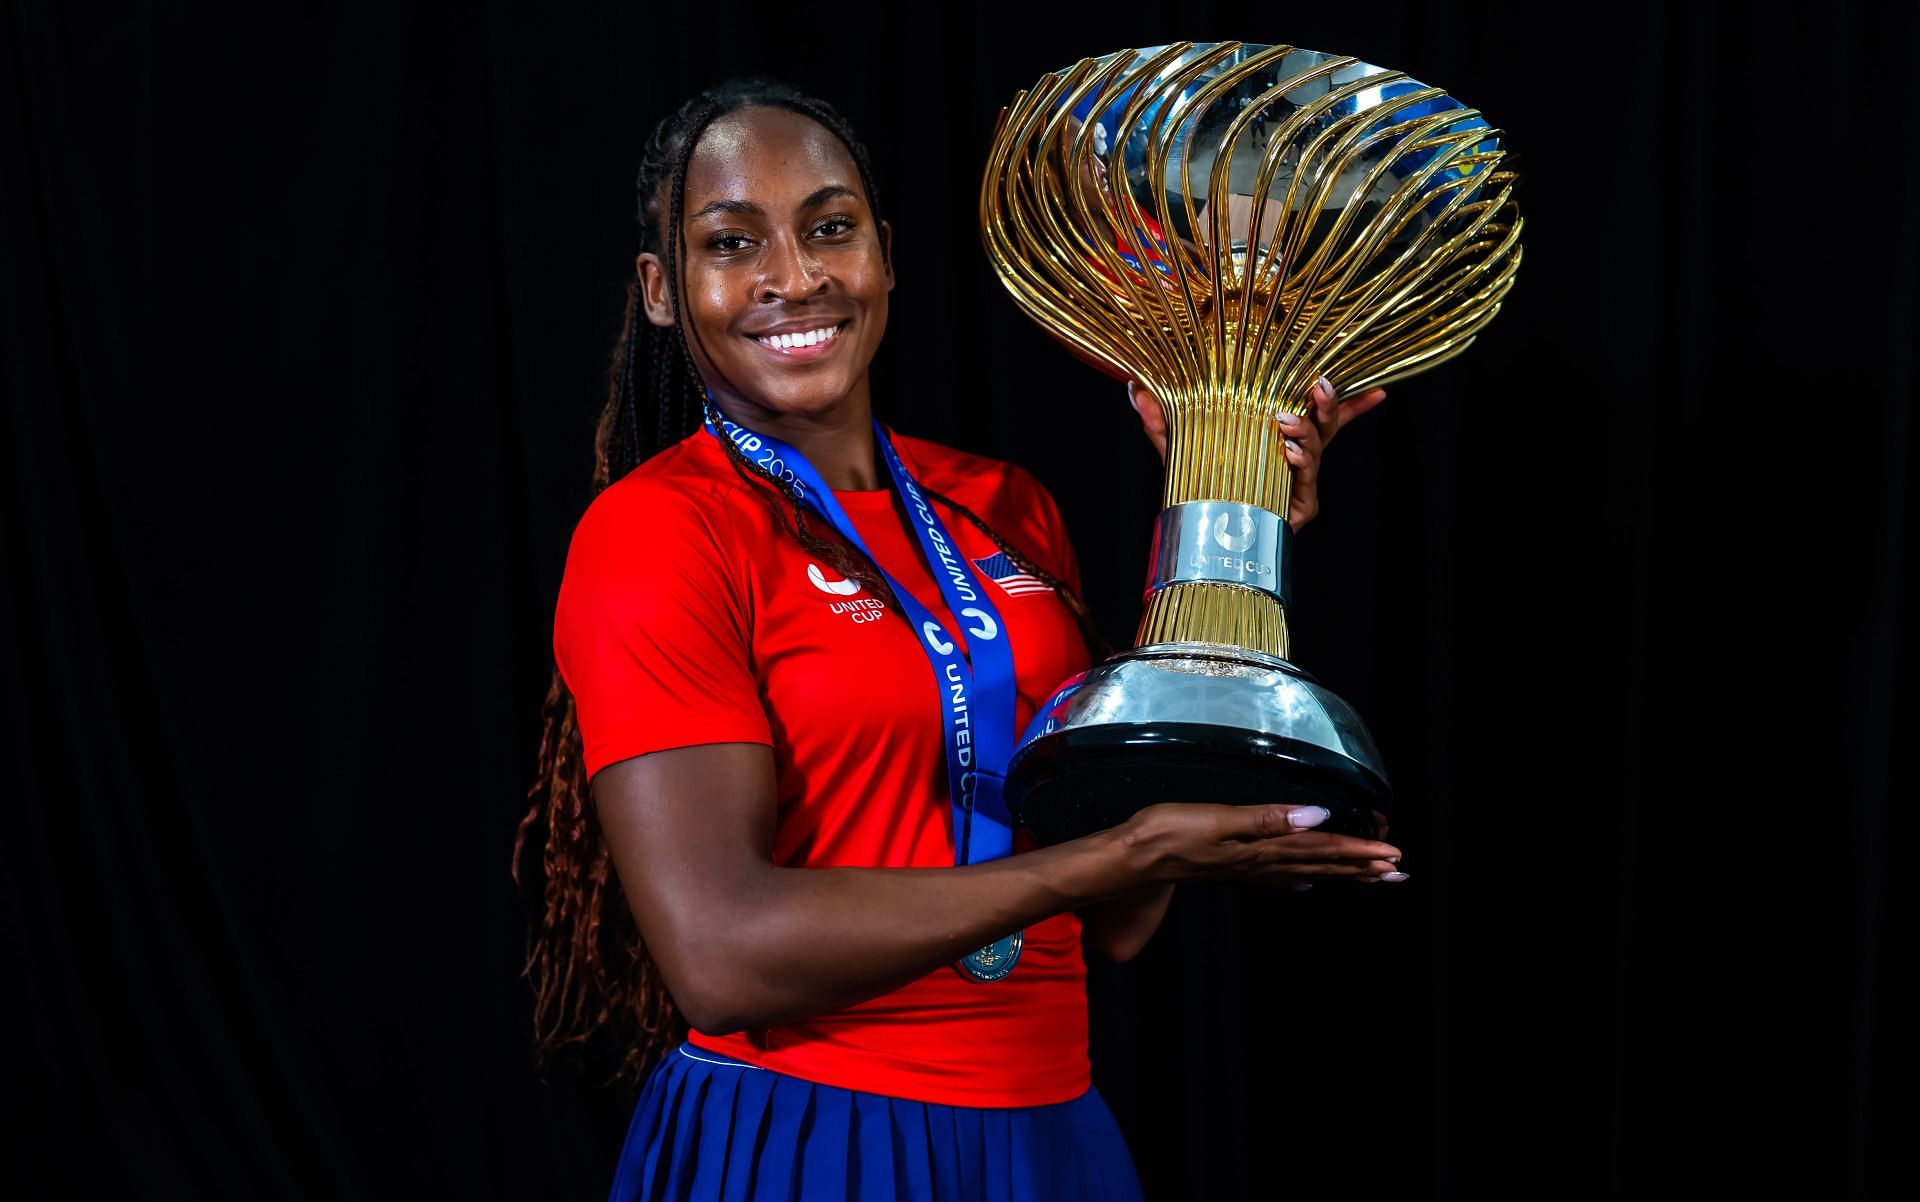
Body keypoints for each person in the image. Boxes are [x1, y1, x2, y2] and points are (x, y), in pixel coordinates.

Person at [514, 76, 1399, 1202]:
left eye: (830, 227)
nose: (796, 275)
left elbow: (1122, 919)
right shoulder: (657, 532)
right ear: (660, 288)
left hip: (1047, 1135)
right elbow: (720, 955)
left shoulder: (1003, 505)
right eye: (732, 242)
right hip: (810, 1137)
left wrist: (1225, 512)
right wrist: (1105, 859)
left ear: (884, 252)